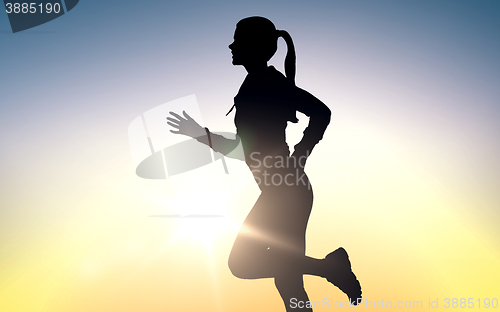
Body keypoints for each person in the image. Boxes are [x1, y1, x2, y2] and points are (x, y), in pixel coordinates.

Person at [167, 16, 361, 311]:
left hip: (286, 190)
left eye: (238, 40)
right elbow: (240, 148)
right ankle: (331, 267)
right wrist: (200, 135)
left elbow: (322, 112)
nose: (231, 46)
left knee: (242, 263)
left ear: (255, 46)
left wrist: (301, 154)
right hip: (282, 189)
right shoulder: (254, 85)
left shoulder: (269, 83)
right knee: (287, 279)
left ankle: (330, 268)